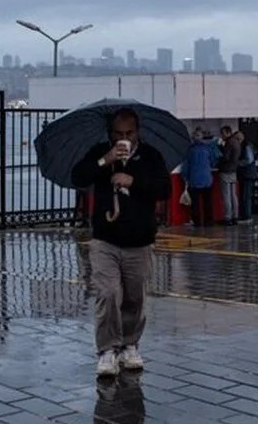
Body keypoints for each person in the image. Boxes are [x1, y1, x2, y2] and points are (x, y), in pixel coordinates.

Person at [71, 108, 171, 377]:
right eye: (118, 134)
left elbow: (164, 189)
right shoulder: (100, 153)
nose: (124, 138)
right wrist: (105, 160)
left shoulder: (150, 156)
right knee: (107, 293)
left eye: (129, 133)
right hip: (105, 239)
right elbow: (78, 177)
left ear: (137, 133)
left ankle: (129, 344)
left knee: (134, 296)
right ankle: (106, 349)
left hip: (139, 240)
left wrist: (133, 181)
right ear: (110, 133)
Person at [182, 128, 217, 227]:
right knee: (208, 202)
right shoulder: (208, 148)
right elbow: (213, 161)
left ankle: (197, 221)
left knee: (195, 203)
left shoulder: (190, 150)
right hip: (207, 179)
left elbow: (186, 166)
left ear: (193, 139)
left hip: (194, 179)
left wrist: (184, 177)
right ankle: (208, 221)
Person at [216, 125, 241, 225]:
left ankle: (228, 217)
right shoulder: (237, 142)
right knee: (233, 195)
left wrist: (220, 148)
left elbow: (225, 157)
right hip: (233, 170)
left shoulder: (229, 143)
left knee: (226, 195)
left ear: (227, 132)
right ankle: (235, 216)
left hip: (225, 171)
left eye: (222, 134)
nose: (221, 136)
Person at [236, 132, 258, 222]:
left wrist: (238, 163)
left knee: (246, 195)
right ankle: (245, 215)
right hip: (247, 173)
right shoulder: (247, 145)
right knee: (245, 195)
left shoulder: (246, 146)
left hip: (247, 174)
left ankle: (247, 216)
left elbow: (249, 160)